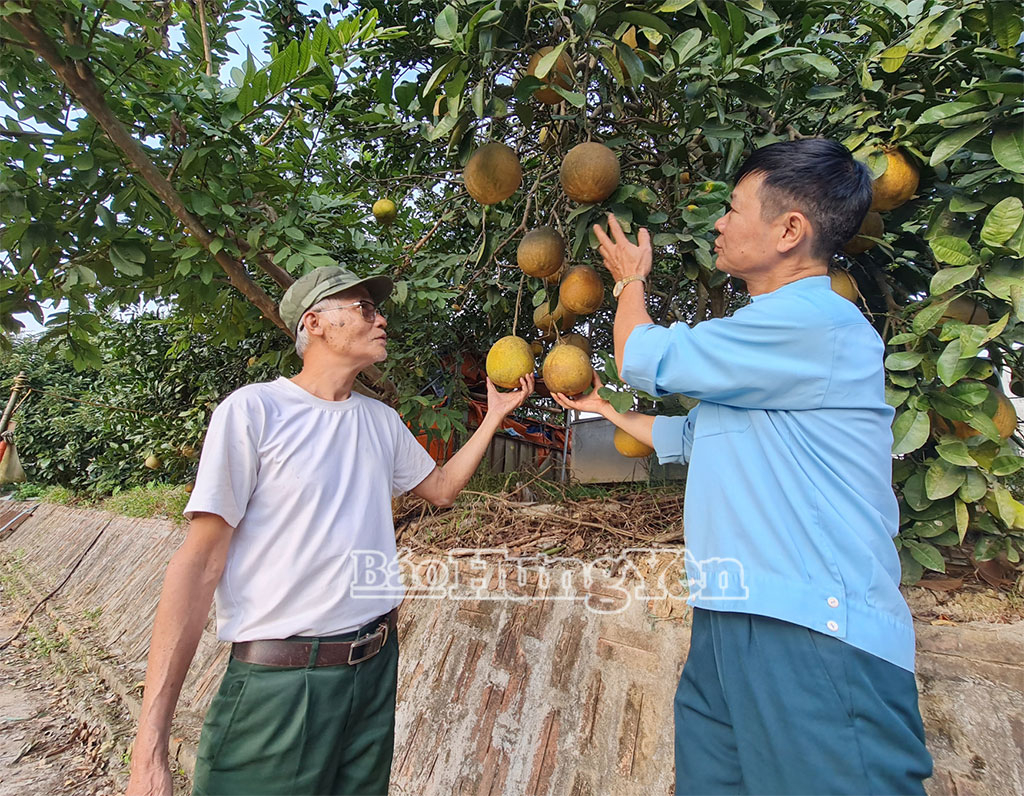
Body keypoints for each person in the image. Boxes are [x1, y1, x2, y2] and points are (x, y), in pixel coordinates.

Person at [554, 139, 933, 795]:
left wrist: (630, 281)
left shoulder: (813, 323)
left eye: (733, 209)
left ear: (789, 229)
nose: (720, 224)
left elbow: (643, 355)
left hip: (815, 631)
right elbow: (695, 435)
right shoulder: (767, 345)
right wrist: (605, 412)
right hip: (731, 618)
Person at [126, 265, 533, 796]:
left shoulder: (380, 421)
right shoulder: (254, 412)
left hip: (373, 670)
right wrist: (150, 741)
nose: (381, 318)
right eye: (365, 309)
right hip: (284, 682)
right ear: (315, 323)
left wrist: (493, 417)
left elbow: (440, 490)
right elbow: (199, 564)